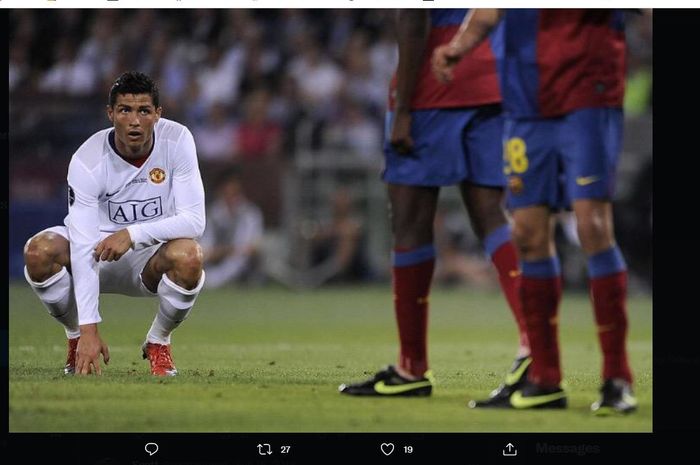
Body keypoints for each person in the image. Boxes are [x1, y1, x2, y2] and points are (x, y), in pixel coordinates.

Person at [433, 9, 637, 414]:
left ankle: (616, 377)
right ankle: (545, 379)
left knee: (592, 225)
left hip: (587, 96)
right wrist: (458, 46)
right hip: (526, 104)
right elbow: (491, 9)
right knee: (527, 234)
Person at [339, 9, 529, 398]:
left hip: (432, 85)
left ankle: (411, 367)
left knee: (409, 224)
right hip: (489, 83)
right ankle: (536, 347)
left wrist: (404, 108)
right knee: (492, 216)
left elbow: (412, 18)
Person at [23, 71, 206, 377]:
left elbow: (194, 220)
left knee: (190, 256)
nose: (135, 121)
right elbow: (82, 246)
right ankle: (74, 338)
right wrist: (88, 329)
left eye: (144, 111)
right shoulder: (87, 160)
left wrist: (133, 234)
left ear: (158, 114)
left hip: (150, 258)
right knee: (38, 252)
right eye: (125, 110)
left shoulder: (177, 140)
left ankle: (159, 341)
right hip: (94, 252)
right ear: (110, 114)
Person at [201, 172, 264, 288]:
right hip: (214, 256)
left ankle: (213, 282)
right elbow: (206, 247)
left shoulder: (250, 213)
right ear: (219, 192)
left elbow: (247, 246)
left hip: (241, 261)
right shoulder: (210, 213)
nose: (231, 198)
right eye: (227, 193)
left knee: (240, 256)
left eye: (235, 193)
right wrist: (220, 252)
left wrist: (229, 250)